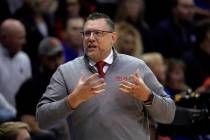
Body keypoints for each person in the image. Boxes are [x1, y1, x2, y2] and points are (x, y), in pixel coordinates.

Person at [36, 12, 175, 140]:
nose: (90, 39)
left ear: (113, 38)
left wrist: (148, 96)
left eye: (97, 33)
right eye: (86, 33)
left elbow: (169, 114)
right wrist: (73, 99)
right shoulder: (66, 71)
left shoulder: (136, 67)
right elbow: (42, 119)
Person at [16, 37, 69, 140]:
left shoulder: (71, 81)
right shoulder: (30, 87)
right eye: (51, 58)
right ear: (42, 59)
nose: (57, 62)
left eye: (59, 55)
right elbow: (27, 120)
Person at [0, 19, 31, 109]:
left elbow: (28, 90)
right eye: (20, 38)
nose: (24, 42)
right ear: (4, 38)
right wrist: (11, 111)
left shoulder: (24, 58)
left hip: (19, 113)